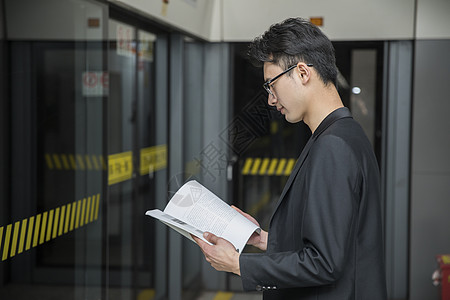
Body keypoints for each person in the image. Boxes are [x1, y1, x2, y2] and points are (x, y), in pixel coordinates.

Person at [193, 17, 387, 299]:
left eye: (271, 85)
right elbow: (334, 243)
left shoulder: (332, 145)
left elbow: (324, 263)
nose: (271, 99)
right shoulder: (346, 134)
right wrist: (263, 240)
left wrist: (239, 264)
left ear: (302, 73)